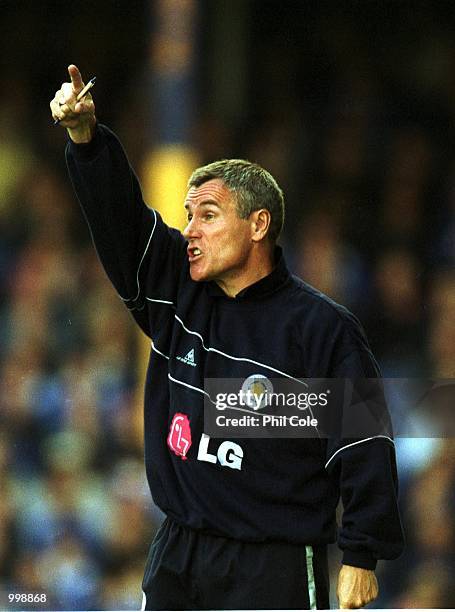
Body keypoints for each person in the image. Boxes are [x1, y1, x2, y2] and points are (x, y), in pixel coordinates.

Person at [50, 65, 404, 610]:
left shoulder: (322, 329)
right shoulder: (174, 287)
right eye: (189, 215)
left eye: (208, 215)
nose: (189, 229)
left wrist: (360, 554)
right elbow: (118, 216)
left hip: (274, 564)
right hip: (177, 554)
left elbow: (364, 444)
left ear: (258, 225)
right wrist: (86, 139)